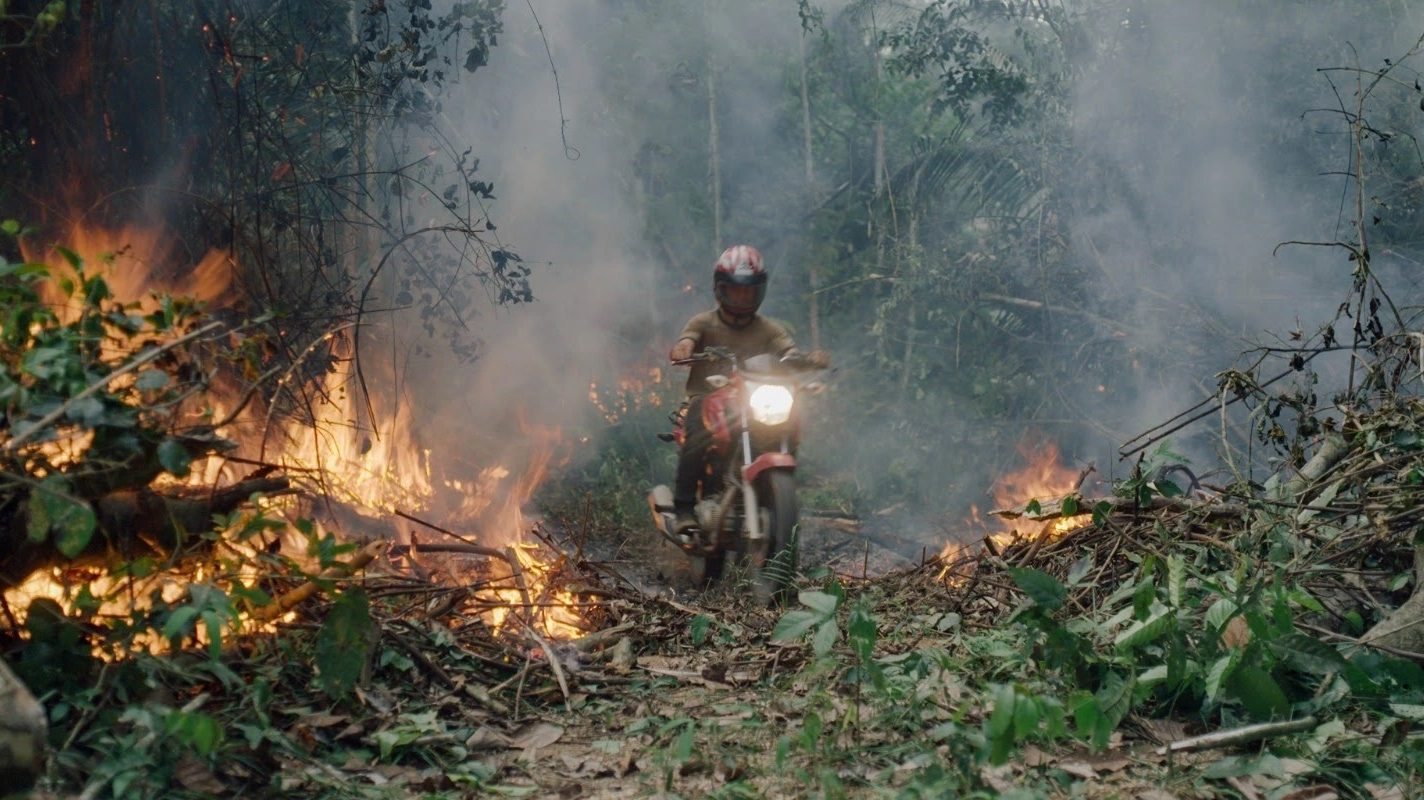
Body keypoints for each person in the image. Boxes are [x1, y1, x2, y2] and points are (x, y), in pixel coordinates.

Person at [668, 244, 828, 537]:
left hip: (750, 398)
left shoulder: (769, 328)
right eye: (736, 290)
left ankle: (774, 498)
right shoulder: (704, 322)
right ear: (721, 289)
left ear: (759, 291)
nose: (743, 296)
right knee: (697, 435)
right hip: (708, 397)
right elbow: (688, 338)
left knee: (788, 423)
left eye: (749, 291)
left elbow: (788, 350)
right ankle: (683, 509)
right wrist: (684, 348)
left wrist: (808, 358)